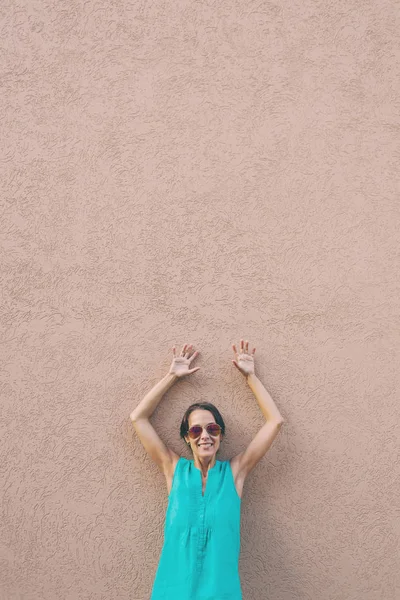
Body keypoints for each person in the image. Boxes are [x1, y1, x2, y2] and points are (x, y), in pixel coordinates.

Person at [130, 339, 284, 600]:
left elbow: (275, 421)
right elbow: (138, 418)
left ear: (221, 435)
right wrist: (171, 376)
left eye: (213, 429)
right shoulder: (174, 470)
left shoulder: (234, 473)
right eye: (195, 430)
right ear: (187, 437)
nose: (205, 436)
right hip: (171, 593)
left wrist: (251, 377)